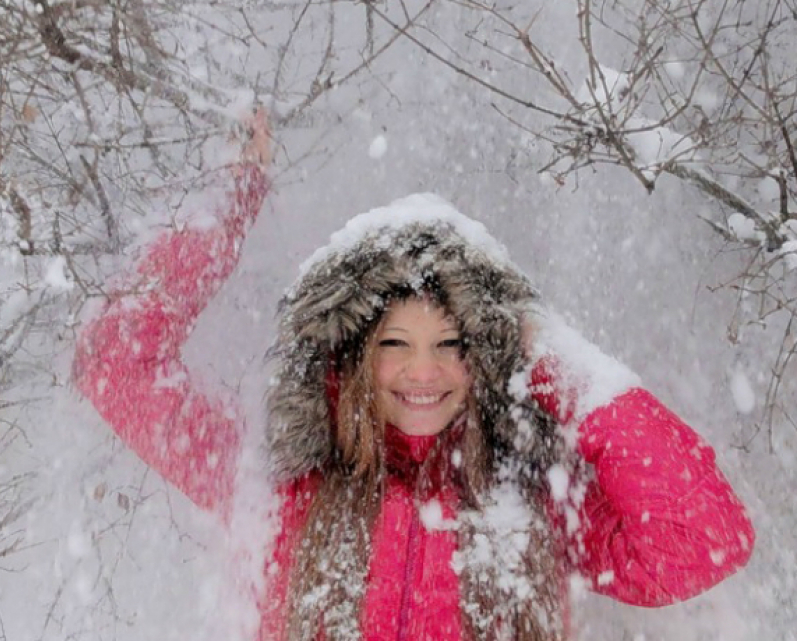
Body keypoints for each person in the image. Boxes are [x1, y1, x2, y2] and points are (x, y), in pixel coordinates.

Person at [73, 111, 754, 641]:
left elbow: (704, 537)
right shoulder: (276, 485)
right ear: (353, 357)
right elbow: (115, 360)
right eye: (395, 341)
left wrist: (545, 350)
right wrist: (236, 190)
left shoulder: (532, 500)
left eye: (451, 342)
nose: (423, 370)